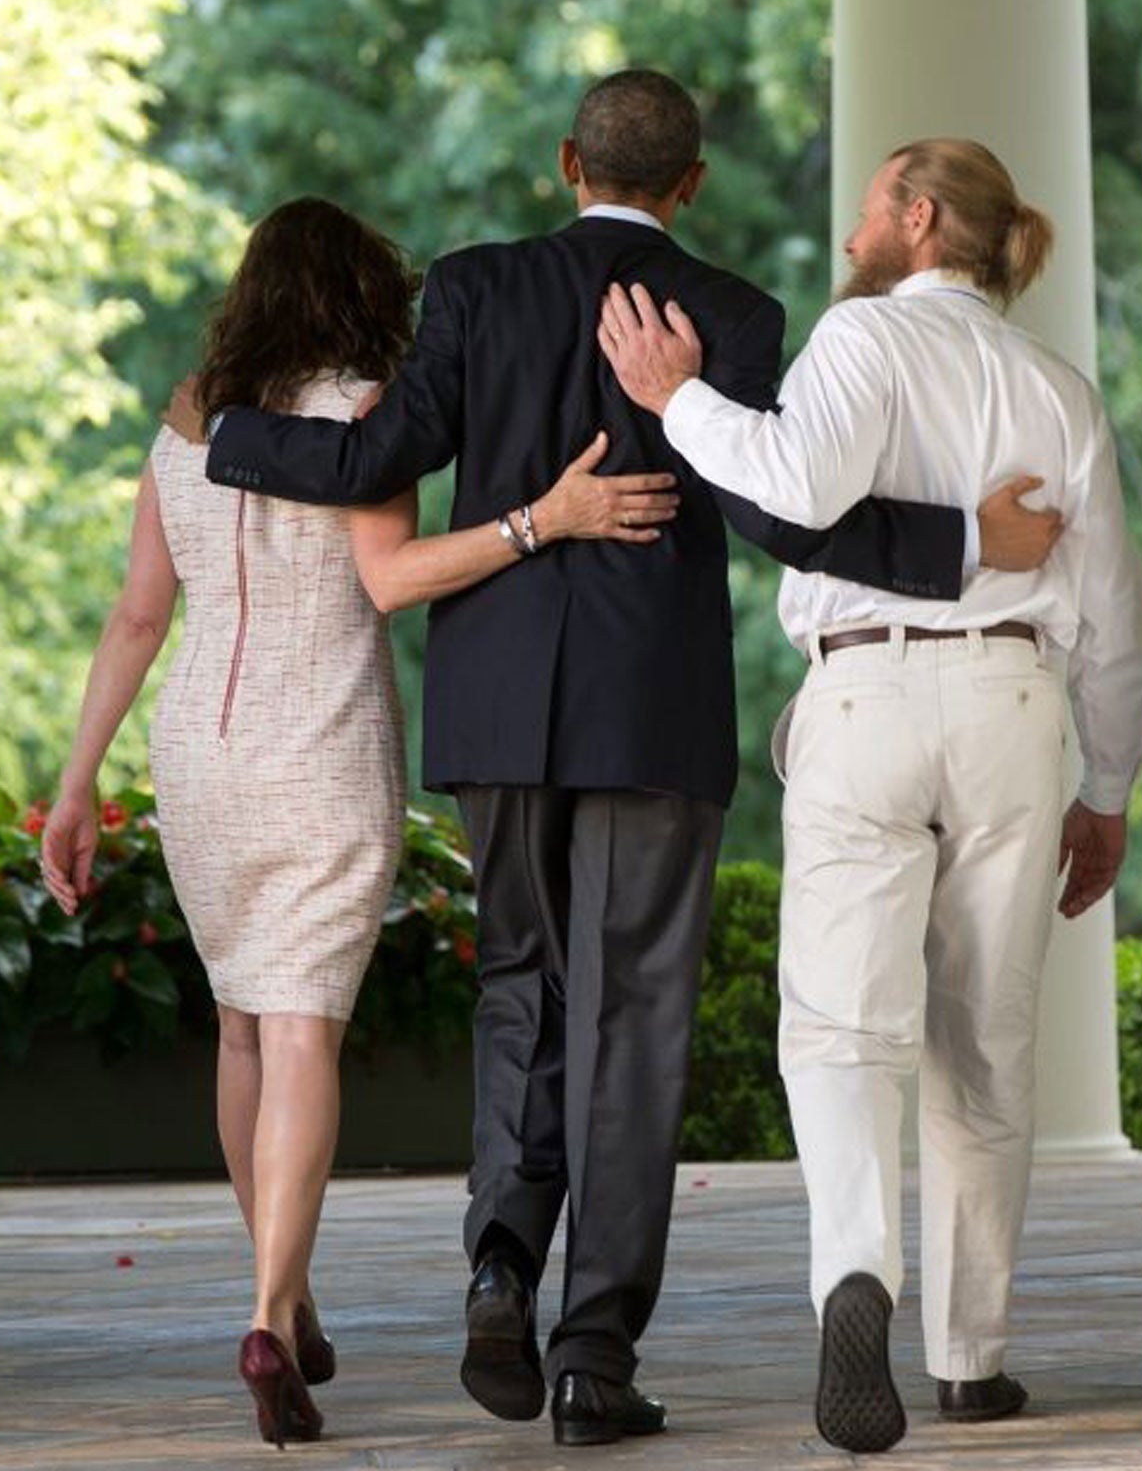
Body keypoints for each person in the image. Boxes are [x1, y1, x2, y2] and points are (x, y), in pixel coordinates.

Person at [193, 73, 1063, 1449]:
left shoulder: (475, 288)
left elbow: (379, 451)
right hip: (653, 714)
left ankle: (497, 1267)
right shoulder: (734, 315)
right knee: (633, 1024)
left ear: (564, 161)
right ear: (694, 183)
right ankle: (594, 1361)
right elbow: (792, 513)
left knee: (519, 989)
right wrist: (964, 551)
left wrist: (230, 434)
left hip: (495, 709)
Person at [39, 196, 677, 1448]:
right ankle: (273, 1306)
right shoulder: (362, 412)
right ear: (360, 293)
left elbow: (134, 617)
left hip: (200, 757)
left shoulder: (189, 421)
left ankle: (285, 1296)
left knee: (240, 1028)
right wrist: (542, 519)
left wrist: (75, 784)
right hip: (322, 745)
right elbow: (389, 581)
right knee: (303, 1032)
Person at [598, 136, 1142, 1455]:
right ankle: (973, 1358)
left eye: (867, 212)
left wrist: (677, 396)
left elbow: (792, 485)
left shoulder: (863, 345)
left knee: (844, 1024)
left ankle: (858, 1277)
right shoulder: (1059, 391)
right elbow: (1117, 620)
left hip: (865, 696)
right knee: (989, 1038)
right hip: (1018, 708)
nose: (852, 234)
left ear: (918, 221)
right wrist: (1110, 789)